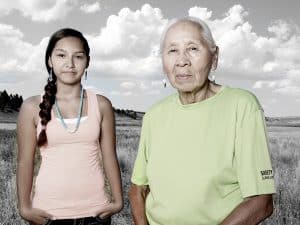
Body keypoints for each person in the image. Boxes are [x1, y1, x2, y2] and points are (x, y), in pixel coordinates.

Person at [129, 17, 276, 225]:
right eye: (172, 51)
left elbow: (262, 202)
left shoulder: (242, 105)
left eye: (193, 48)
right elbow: (138, 189)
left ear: (214, 57)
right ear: (163, 62)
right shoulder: (153, 115)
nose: (182, 61)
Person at [17, 28, 123, 225]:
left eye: (78, 56)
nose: (70, 64)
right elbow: (25, 162)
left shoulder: (102, 105)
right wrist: (24, 208)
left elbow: (109, 156)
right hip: (48, 215)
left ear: (87, 61)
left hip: (96, 213)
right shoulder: (31, 107)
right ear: (50, 60)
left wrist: (118, 201)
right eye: (61, 55)